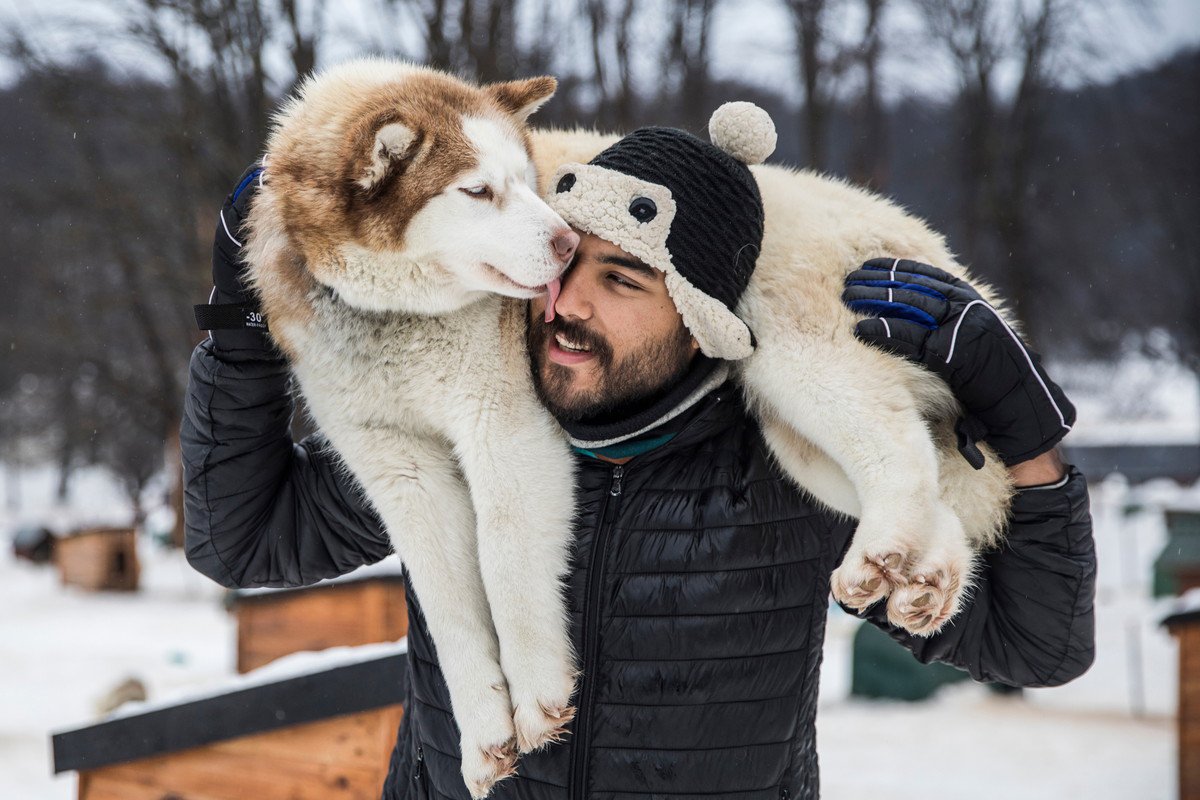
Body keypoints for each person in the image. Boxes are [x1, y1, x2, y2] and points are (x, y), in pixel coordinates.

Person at [182, 125, 1095, 800]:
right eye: (566, 263)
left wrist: (1027, 431)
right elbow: (245, 542)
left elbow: (1034, 645)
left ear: (704, 322)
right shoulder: (478, 416)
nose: (565, 304)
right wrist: (244, 322)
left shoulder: (784, 466)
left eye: (623, 281)